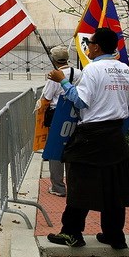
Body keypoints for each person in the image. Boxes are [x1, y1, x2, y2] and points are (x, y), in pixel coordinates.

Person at [46, 27, 129, 250]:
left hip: (91, 135)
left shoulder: (93, 70)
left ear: (97, 47)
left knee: (80, 183)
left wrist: (63, 81)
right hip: (115, 135)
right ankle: (115, 235)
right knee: (114, 187)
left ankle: (72, 233)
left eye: (89, 43)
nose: (87, 47)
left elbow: (80, 101)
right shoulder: (126, 70)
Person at [40, 45, 82, 197]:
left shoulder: (55, 75)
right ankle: (73, 185)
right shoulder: (79, 73)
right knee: (72, 149)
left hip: (57, 115)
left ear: (54, 59)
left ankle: (58, 186)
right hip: (75, 113)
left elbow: (47, 96)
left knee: (56, 151)